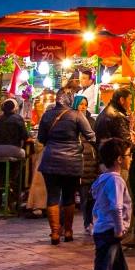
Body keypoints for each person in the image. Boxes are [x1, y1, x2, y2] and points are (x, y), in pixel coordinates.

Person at [77, 142, 134, 270]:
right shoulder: (115, 180)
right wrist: (119, 229)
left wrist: (95, 223)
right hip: (110, 233)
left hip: (104, 231)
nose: (130, 158)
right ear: (119, 159)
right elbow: (116, 207)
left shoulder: (102, 179)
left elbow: (95, 202)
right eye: (128, 155)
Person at [38, 95, 96, 242]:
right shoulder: (76, 115)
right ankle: (68, 232)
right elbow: (90, 135)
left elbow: (41, 139)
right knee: (69, 197)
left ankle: (55, 233)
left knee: (52, 197)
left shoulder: (47, 115)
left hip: (50, 160)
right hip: (72, 162)